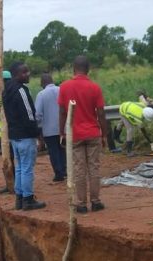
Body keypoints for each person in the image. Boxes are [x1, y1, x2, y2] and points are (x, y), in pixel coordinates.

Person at [58, 55, 108, 213]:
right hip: (93, 132)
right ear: (88, 70)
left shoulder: (64, 87)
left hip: (75, 134)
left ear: (73, 69)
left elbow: (62, 112)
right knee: (94, 167)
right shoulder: (95, 88)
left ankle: (81, 203)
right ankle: (96, 201)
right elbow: (101, 113)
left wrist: (62, 132)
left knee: (79, 168)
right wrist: (104, 134)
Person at [3, 61, 46, 211]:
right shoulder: (21, 90)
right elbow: (30, 115)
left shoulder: (6, 90)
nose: (28, 74)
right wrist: (38, 135)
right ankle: (28, 199)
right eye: (24, 72)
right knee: (27, 168)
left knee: (21, 167)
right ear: (16, 75)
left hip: (14, 136)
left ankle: (19, 199)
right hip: (25, 135)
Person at [35, 73, 65, 182]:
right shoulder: (61, 90)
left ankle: (58, 173)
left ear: (42, 83)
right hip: (63, 128)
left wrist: (38, 127)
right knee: (63, 149)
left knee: (53, 151)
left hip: (49, 129)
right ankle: (65, 170)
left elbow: (37, 114)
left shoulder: (41, 95)